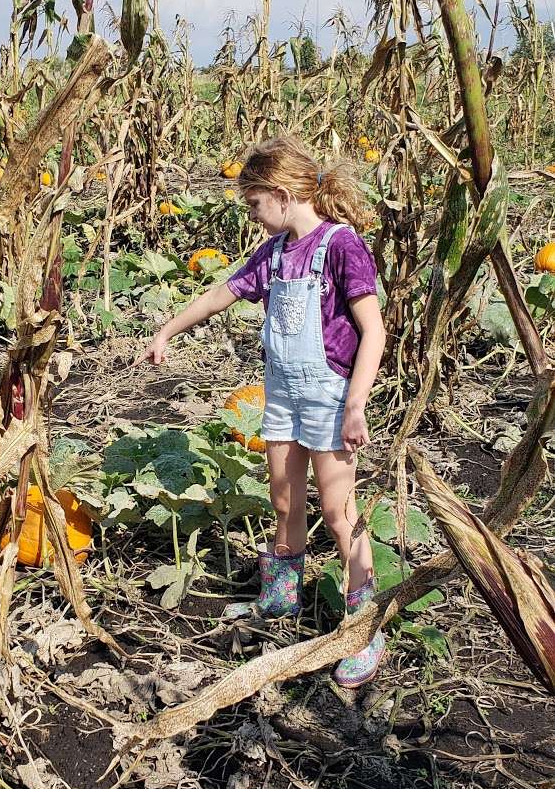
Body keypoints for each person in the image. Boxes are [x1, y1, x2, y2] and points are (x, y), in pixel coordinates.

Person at [142, 135, 387, 688]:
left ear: (280, 194)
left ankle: (366, 628)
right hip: (282, 392)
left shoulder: (341, 245)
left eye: (254, 204)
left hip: (328, 394)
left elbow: (373, 330)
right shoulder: (274, 253)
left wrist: (356, 404)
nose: (253, 216)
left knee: (338, 512)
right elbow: (220, 295)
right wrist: (167, 329)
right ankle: (281, 598)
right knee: (283, 498)